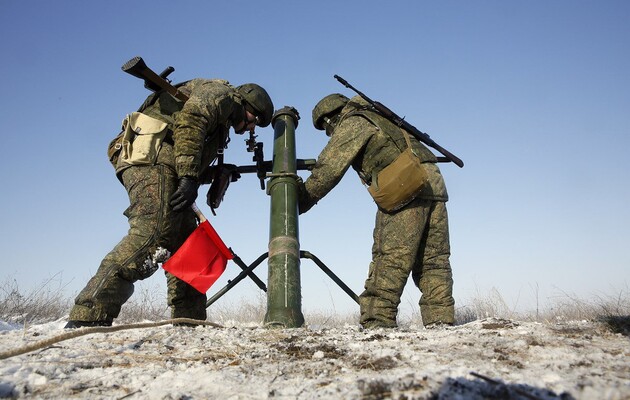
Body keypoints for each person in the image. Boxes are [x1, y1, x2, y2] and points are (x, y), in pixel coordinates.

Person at [65, 79, 274, 328]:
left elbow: (187, 147)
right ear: (247, 104)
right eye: (254, 120)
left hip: (165, 162)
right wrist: (188, 177)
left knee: (188, 244)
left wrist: (211, 174)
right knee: (153, 234)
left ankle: (189, 321)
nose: (250, 128)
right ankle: (88, 313)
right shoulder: (222, 95)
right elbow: (191, 122)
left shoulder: (223, 121)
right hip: (153, 157)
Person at [298, 93, 454, 329]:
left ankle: (377, 323)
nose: (329, 133)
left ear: (331, 118)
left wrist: (298, 202)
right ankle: (440, 321)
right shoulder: (381, 118)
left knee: (390, 258)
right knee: (433, 260)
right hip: (434, 185)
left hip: (406, 185)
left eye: (326, 128)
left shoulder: (354, 121)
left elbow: (329, 169)